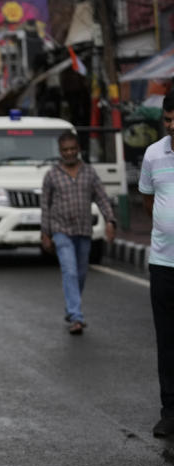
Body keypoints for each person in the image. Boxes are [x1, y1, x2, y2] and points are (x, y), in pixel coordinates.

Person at [40, 131, 116, 336]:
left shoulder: (89, 173)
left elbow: (101, 198)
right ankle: (76, 316)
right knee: (70, 271)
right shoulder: (52, 175)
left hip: (83, 230)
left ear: (78, 149)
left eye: (73, 149)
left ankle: (71, 307)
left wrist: (109, 220)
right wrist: (45, 233)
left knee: (81, 274)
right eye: (65, 150)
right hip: (60, 230)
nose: (70, 152)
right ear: (60, 151)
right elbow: (45, 206)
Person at [137, 92, 174, 437]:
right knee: (166, 341)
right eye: (168, 120)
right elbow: (148, 200)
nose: (172, 126)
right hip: (163, 263)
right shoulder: (153, 154)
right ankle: (170, 411)